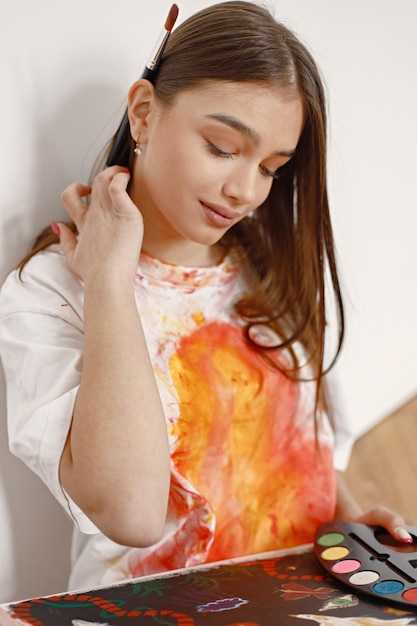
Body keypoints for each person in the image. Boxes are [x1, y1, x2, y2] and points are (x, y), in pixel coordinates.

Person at [0, 1, 410, 591]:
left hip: (300, 600)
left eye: (271, 168)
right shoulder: (50, 291)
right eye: (221, 147)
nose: (245, 190)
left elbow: (297, 450)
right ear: (142, 114)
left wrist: (343, 524)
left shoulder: (271, 271)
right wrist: (111, 283)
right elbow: (133, 514)